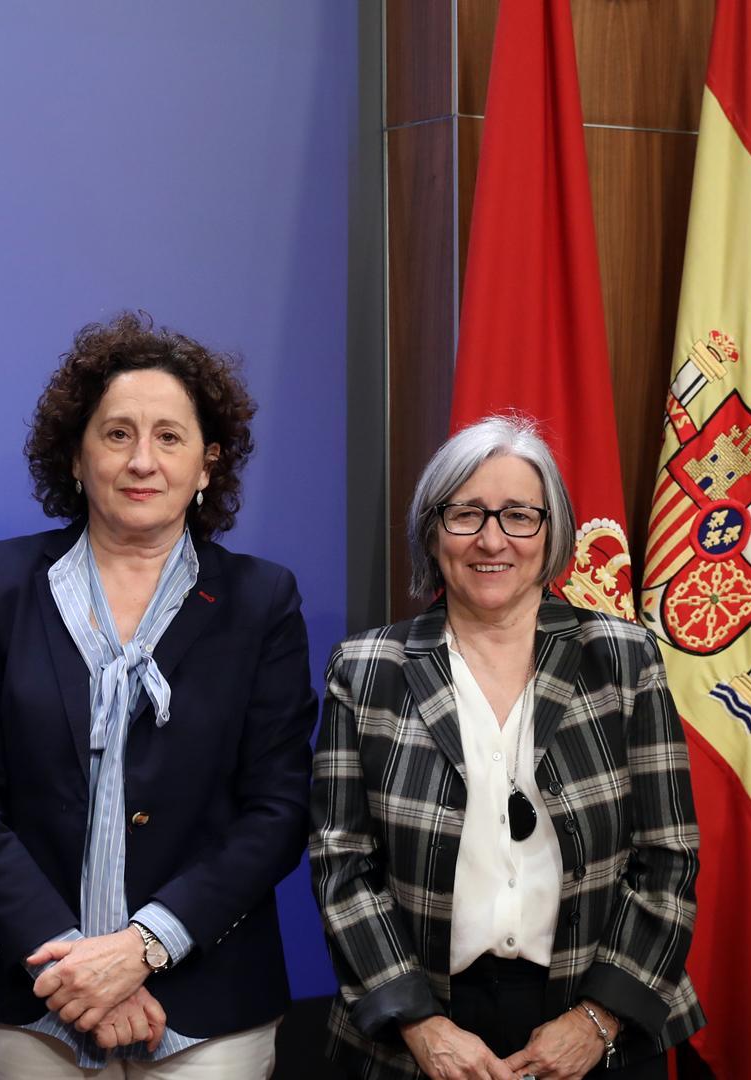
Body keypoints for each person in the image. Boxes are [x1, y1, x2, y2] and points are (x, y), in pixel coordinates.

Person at [0, 312, 316, 1077]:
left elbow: (277, 808)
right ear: (75, 455)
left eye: (169, 437)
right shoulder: (0, 584)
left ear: (208, 463)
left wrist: (145, 947)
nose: (143, 461)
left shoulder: (262, 599)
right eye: (116, 434)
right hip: (33, 986)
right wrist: (76, 965)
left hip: (207, 989)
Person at [309, 415, 704, 1080]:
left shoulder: (621, 657)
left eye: (519, 515)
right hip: (418, 1026)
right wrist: (420, 1025)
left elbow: (668, 858)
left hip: (593, 1015)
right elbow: (342, 865)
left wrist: (596, 1021)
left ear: (551, 533)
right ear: (432, 532)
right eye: (466, 514)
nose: (492, 538)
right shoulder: (366, 668)